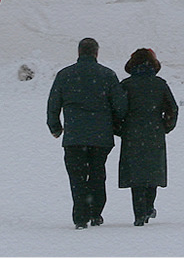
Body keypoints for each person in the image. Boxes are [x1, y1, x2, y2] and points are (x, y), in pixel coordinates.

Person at [47, 37, 128, 229]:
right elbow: (120, 105)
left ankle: (80, 216)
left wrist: (55, 127)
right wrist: (116, 126)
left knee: (77, 177)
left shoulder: (65, 75)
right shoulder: (107, 75)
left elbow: (53, 103)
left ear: (79, 52)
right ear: (96, 53)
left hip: (74, 136)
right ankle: (96, 212)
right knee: (97, 173)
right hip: (101, 137)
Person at [117, 48, 178, 227]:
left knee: (136, 175)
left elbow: (117, 110)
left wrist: (121, 129)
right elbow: (172, 109)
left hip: (131, 133)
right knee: (152, 172)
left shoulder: (126, 85)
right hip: (154, 133)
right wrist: (165, 127)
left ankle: (138, 213)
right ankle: (149, 207)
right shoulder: (160, 84)